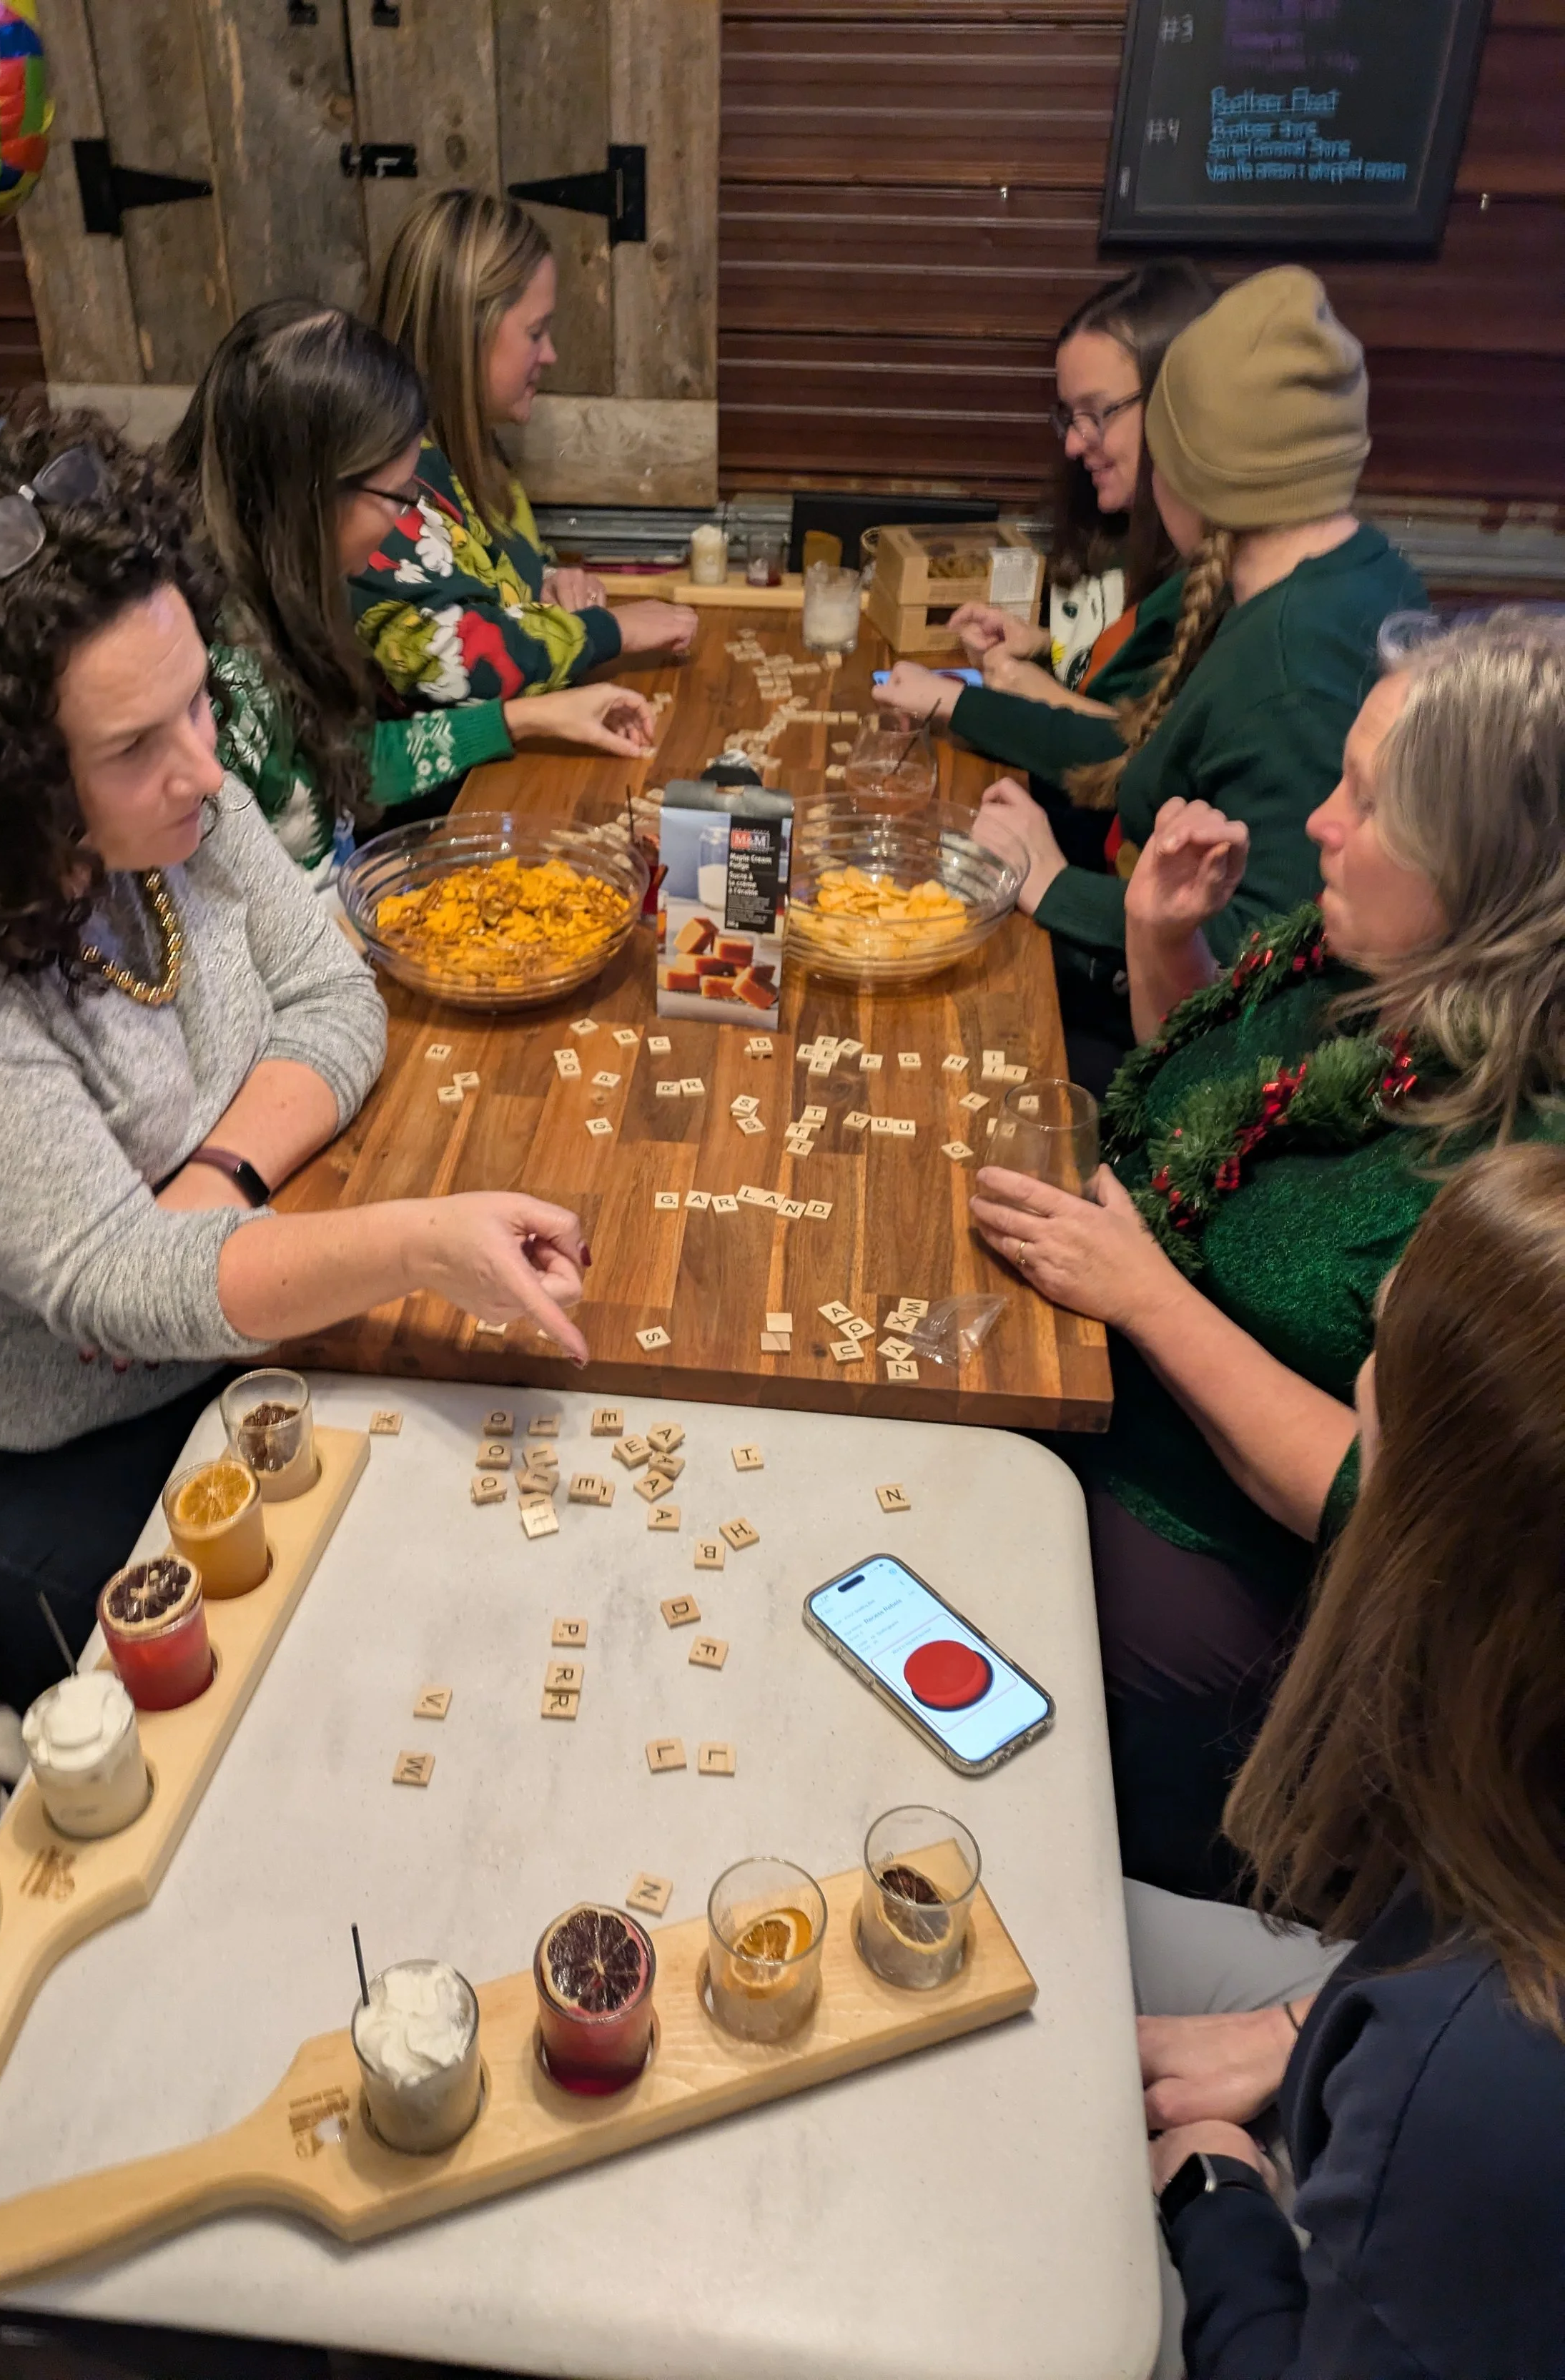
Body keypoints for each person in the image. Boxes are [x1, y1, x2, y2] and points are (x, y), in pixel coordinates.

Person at [0, 415, 588, 1715]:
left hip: (184, 1317)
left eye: (198, 698)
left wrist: (215, 1176)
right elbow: (112, 1288)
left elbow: (330, 991)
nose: (205, 770)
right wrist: (417, 1243)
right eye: (132, 747)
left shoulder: (172, 782)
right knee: (332, 1651)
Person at [968, 610, 1565, 1897]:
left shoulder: (1522, 1167)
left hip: (1244, 1590)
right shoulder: (1365, 964)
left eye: (1370, 800)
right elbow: (1219, 1139)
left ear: (1487, 861)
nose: (1324, 823)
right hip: (1096, 1380)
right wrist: (1162, 939)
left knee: (933, 1585)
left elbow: (1386, 1497)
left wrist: (1145, 1296)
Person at [1130, 1140, 1565, 2379]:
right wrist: (1298, 2023)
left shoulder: (1481, 2089)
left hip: (1330, 2239)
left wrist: (1220, 2197)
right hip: (1386, 2035)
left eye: (1370, 1390)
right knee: (1033, 1918)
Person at [880, 267, 1426, 1085]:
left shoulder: (1291, 666)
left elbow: (1277, 961)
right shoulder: (1344, 572)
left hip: (1197, 1080)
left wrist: (1053, 883)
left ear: (1188, 464)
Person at [168, 300, 660, 875]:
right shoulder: (211, 670)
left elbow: (353, 761)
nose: (408, 524)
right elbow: (232, 926)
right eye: (398, 497)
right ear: (311, 491)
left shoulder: (290, 591)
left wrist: (530, 719)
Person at [357, 187, 697, 703]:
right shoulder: (384, 480)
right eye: (535, 332)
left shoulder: (476, 450)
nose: (551, 354)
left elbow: (497, 577)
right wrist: (612, 630)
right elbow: (459, 664)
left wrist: (549, 583)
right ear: (465, 334)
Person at [933, 260, 1214, 735]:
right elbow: (1112, 681)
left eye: (1097, 413)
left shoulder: (1215, 572)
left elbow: (1155, 758)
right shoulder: (1117, 532)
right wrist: (1044, 647)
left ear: (1177, 404)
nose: (1072, 444)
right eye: (1070, 415)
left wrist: (1017, 694)